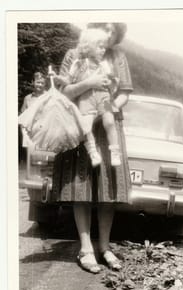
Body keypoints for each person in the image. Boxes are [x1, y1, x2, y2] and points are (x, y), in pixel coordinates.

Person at [52, 23, 133, 273]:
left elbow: (125, 92)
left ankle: (105, 247)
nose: (108, 35)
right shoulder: (73, 55)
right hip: (80, 124)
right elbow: (64, 92)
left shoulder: (117, 56)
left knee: (108, 188)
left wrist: (110, 108)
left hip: (107, 123)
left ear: (117, 33)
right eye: (104, 28)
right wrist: (91, 82)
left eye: (112, 30)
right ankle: (86, 248)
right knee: (81, 186)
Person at [55, 28, 121, 167]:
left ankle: (115, 152)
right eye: (100, 47)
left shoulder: (104, 65)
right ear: (90, 47)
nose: (103, 50)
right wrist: (59, 79)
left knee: (109, 121)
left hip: (104, 97)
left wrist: (111, 83)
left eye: (104, 47)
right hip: (86, 99)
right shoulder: (78, 64)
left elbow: (114, 82)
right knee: (86, 127)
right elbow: (68, 80)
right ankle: (92, 152)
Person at [19, 72, 47, 158]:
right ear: (33, 82)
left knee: (44, 159)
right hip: (30, 132)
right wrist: (23, 132)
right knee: (31, 159)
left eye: (42, 83)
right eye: (38, 82)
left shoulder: (48, 96)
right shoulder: (27, 98)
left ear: (45, 84)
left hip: (44, 132)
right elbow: (22, 116)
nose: (40, 85)